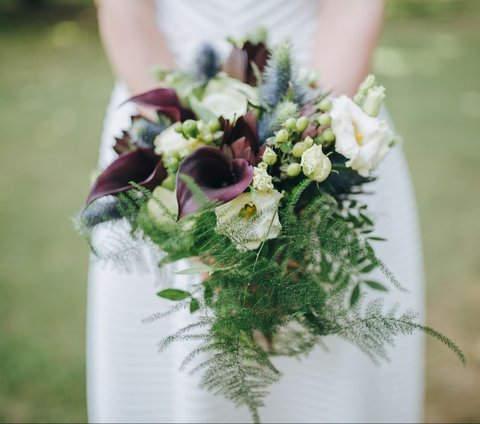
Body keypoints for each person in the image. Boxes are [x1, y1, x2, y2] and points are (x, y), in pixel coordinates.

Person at [88, 0, 425, 422]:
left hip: (325, 100)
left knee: (328, 376)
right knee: (173, 360)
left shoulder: (318, 130)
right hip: (154, 110)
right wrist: (188, 169)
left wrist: (304, 155)